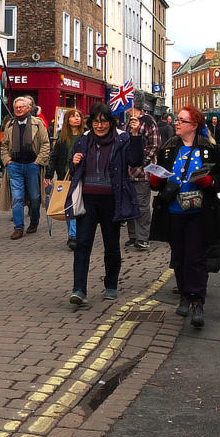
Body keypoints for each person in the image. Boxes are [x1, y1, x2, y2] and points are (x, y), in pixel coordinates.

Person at [148, 105, 220, 329]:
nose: (177, 123)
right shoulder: (168, 148)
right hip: (174, 211)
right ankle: (184, 294)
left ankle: (197, 301)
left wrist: (211, 182)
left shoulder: (210, 148)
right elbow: (158, 175)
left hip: (200, 212)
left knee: (196, 257)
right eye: (177, 119)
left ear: (194, 125)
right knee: (179, 255)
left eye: (182, 120)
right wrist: (156, 181)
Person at [65, 104, 144, 307]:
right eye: (96, 121)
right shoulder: (83, 140)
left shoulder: (122, 139)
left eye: (104, 121)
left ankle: (111, 285)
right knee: (82, 244)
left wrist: (135, 135)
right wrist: (73, 162)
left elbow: (135, 160)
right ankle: (79, 289)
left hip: (111, 199)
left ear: (111, 122)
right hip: (88, 199)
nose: (100, 125)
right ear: (90, 123)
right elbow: (73, 170)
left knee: (111, 245)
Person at [0, 95, 50, 240]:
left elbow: (46, 144)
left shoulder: (37, 123)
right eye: (16, 107)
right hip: (14, 166)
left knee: (34, 197)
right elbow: (4, 145)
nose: (18, 109)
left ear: (29, 108)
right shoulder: (9, 124)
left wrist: (38, 161)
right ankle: (18, 228)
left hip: (32, 166)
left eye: (22, 106)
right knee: (17, 198)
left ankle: (34, 221)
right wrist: (7, 161)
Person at [124, 100, 160, 252]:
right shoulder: (128, 122)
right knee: (129, 203)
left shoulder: (148, 121)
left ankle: (143, 238)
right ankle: (133, 236)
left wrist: (140, 161)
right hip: (126, 172)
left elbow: (155, 145)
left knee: (142, 205)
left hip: (141, 172)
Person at [51, 108, 87, 250]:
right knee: (68, 205)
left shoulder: (86, 136)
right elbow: (54, 156)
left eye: (78, 116)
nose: (76, 118)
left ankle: (76, 235)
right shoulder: (62, 136)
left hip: (81, 174)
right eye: (73, 116)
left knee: (78, 204)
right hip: (65, 175)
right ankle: (72, 235)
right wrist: (49, 174)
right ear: (68, 119)